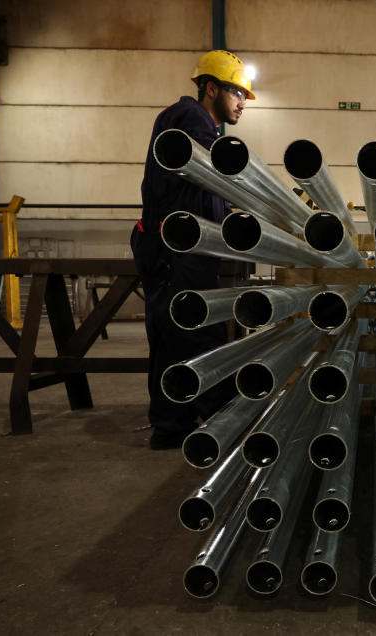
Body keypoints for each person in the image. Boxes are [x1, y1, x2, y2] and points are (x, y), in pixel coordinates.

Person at [132, 50, 255, 450]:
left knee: (173, 335)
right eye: (236, 92)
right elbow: (216, 169)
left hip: (183, 244)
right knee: (194, 330)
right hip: (174, 247)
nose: (241, 103)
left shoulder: (206, 131)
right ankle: (223, 414)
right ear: (211, 88)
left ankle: (171, 423)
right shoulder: (189, 119)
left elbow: (207, 186)